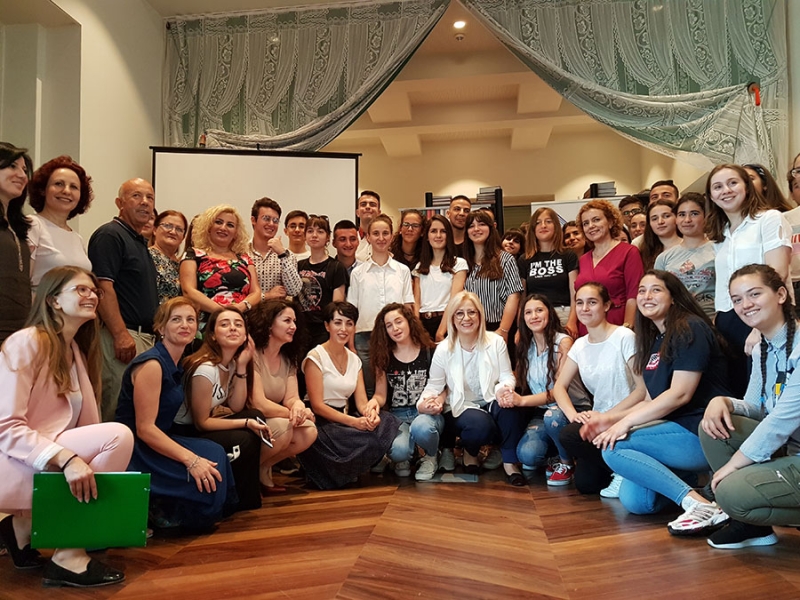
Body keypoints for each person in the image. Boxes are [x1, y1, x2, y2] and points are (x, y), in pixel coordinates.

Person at [0, 266, 133, 587]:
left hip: (37, 458)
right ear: (53, 300)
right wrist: (67, 458)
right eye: (81, 290)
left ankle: (21, 527)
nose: (92, 296)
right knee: (119, 436)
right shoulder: (26, 342)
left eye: (94, 291)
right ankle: (69, 554)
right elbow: (5, 426)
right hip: (13, 457)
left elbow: (84, 428)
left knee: (113, 437)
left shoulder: (74, 350)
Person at [597, 271, 731, 533]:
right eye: (642, 290)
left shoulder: (690, 327)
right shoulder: (656, 339)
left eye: (656, 290)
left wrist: (625, 424)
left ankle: (699, 504)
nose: (647, 296)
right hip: (674, 431)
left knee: (614, 448)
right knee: (638, 502)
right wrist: (607, 419)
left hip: (704, 430)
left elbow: (681, 394)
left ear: (673, 297)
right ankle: (693, 482)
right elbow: (650, 400)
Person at [699, 264, 800, 548]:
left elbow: (779, 422)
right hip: (791, 449)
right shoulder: (761, 348)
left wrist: (731, 468)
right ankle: (753, 528)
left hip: (791, 445)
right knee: (713, 425)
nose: (746, 305)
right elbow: (756, 407)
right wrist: (722, 401)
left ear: (781, 294)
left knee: (730, 492)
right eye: (737, 299)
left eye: (754, 294)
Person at [115, 297, 236, 531]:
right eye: (176, 319)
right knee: (203, 474)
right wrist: (190, 460)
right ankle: (158, 508)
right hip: (137, 447)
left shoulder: (176, 362)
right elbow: (145, 429)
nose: (185, 325)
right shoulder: (152, 364)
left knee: (215, 453)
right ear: (161, 328)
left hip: (159, 438)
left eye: (190, 319)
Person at [418, 292, 525, 482]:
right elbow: (434, 385)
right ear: (452, 318)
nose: (466, 318)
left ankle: (509, 462)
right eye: (459, 313)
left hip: (491, 399)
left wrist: (505, 389)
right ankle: (470, 451)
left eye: (471, 312)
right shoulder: (443, 349)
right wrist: (423, 403)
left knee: (511, 409)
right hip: (462, 405)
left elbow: (506, 375)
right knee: (480, 425)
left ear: (480, 315)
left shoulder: (496, 342)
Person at [706, 163, 791, 397]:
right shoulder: (719, 234)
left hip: (764, 314)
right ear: (711, 196)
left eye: (733, 183)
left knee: (766, 391)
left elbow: (777, 273)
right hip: (728, 318)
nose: (726, 190)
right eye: (718, 187)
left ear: (746, 186)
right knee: (737, 389)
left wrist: (759, 329)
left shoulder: (769, 219)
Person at [175, 307, 271, 511]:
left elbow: (236, 406)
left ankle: (245, 496)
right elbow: (201, 423)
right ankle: (234, 498)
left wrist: (242, 366)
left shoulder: (232, 364)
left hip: (200, 426)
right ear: (212, 335)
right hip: (183, 432)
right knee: (245, 436)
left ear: (246, 335)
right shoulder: (205, 369)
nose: (233, 328)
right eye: (224, 324)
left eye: (238, 324)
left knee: (256, 415)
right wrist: (246, 423)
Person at [555, 282, 645, 495]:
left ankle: (625, 469)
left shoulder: (624, 336)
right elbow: (559, 386)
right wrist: (574, 415)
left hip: (629, 417)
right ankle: (620, 468)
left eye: (592, 302)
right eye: (579, 303)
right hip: (599, 420)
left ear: (606, 305)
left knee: (569, 436)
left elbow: (642, 390)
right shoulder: (579, 345)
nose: (584, 308)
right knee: (586, 485)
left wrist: (608, 417)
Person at [298, 301, 400, 489]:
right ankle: (330, 469)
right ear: (327, 326)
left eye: (349, 323)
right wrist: (354, 422)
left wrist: (370, 414)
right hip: (319, 421)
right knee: (361, 438)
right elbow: (317, 405)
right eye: (337, 323)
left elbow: (361, 403)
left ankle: (346, 468)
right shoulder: (315, 357)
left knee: (386, 421)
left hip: (343, 419)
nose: (343, 329)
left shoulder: (355, 359)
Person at [88, 178, 159, 421]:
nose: (145, 202)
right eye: (136, 196)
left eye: (150, 197)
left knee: (136, 414)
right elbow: (103, 287)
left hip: (141, 338)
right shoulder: (110, 235)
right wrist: (120, 335)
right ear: (120, 203)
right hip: (122, 337)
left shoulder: (138, 241)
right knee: (115, 410)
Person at [510, 294, 582, 486]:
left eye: (539, 310)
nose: (534, 316)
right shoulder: (526, 345)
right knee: (527, 456)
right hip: (543, 411)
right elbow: (517, 377)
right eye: (528, 312)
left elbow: (558, 391)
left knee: (553, 417)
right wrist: (502, 386)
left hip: (570, 409)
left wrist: (522, 401)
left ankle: (567, 464)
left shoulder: (563, 342)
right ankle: (556, 455)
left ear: (549, 313)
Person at [247, 299, 318, 492]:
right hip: (249, 419)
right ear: (269, 324)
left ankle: (262, 469)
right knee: (284, 427)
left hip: (273, 417)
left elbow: (292, 398)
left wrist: (299, 407)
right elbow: (258, 404)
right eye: (287, 321)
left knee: (309, 431)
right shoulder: (252, 355)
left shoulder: (288, 357)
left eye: (294, 321)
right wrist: (293, 414)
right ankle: (243, 473)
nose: (293, 326)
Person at [347, 214, 414, 396]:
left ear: (392, 236)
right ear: (368, 237)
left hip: (396, 336)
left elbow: (408, 307)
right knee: (370, 391)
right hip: (365, 337)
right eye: (376, 233)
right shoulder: (358, 273)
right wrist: (351, 345)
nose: (381, 238)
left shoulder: (402, 271)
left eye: (385, 233)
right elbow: (351, 311)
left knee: (395, 391)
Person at [369, 304, 437, 479]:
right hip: (398, 416)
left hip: (426, 413)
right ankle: (405, 455)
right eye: (389, 325)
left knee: (423, 428)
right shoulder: (383, 356)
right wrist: (373, 402)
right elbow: (380, 395)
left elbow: (441, 387)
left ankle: (430, 456)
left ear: (409, 321)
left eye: (398, 321)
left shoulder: (429, 351)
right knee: (399, 452)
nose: (395, 328)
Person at [181, 204, 262, 328]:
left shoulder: (244, 258)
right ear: (209, 227)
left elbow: (256, 292)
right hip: (208, 324)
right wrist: (222, 312)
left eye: (230, 225)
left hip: (241, 323)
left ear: (236, 233)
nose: (223, 228)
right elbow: (188, 291)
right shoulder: (193, 254)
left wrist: (241, 307)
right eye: (218, 222)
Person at [574, 200, 644, 334]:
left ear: (610, 222)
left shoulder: (628, 252)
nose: (591, 226)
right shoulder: (583, 259)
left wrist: (627, 330)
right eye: (585, 223)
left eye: (596, 220)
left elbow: (634, 295)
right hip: (587, 328)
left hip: (617, 325)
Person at [26, 156, 93, 291]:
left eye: (74, 187)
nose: (66, 191)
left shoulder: (77, 238)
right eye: (58, 184)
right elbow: (22, 282)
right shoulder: (33, 225)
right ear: (43, 190)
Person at [463, 210, 523, 343]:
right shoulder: (464, 262)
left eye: (481, 224)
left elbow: (514, 295)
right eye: (471, 226)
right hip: (471, 328)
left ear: (491, 228)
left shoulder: (505, 259)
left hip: (499, 326)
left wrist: (503, 330)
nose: (476, 229)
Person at [518, 207, 579, 336]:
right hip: (535, 316)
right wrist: (520, 327)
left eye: (548, 221)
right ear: (533, 229)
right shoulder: (525, 259)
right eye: (538, 222)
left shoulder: (568, 255)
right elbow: (522, 298)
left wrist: (572, 321)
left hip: (563, 314)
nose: (543, 226)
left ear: (556, 226)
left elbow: (575, 292)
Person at [655, 193, 716, 317]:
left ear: (706, 216)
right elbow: (658, 293)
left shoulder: (719, 250)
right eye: (682, 214)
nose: (687, 220)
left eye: (694, 214)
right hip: (676, 320)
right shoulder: (664, 258)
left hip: (712, 318)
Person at [413, 215, 467, 341]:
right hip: (423, 324)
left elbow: (454, 300)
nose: (438, 235)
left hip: (448, 322)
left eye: (443, 231)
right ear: (427, 236)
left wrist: (441, 331)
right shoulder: (419, 267)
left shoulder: (458, 264)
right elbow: (416, 302)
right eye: (433, 231)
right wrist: (417, 329)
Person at [297, 215, 348, 347]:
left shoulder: (336, 267)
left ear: (328, 238)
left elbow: (337, 305)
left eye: (320, 231)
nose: (314, 235)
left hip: (323, 330)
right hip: (300, 328)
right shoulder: (299, 265)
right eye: (310, 231)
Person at [0, 142, 33, 345]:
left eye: (24, 169)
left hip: (18, 336)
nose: (22, 175)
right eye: (12, 166)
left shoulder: (17, 227)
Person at [247, 197, 302, 301]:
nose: (271, 224)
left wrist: (282, 254)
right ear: (253, 220)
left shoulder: (287, 255)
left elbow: (294, 290)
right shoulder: (240, 252)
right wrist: (266, 296)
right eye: (266, 218)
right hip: (247, 311)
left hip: (276, 311)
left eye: (276, 221)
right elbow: (236, 292)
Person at [149, 210, 187, 305]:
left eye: (179, 229)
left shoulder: (183, 264)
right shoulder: (146, 256)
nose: (173, 232)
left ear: (183, 237)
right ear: (154, 230)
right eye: (167, 226)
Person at [639, 199, 681, 270]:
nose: (660, 222)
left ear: (677, 218)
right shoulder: (644, 252)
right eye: (654, 219)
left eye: (666, 216)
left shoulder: (689, 246)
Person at [355, 191, 381, 262]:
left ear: (379, 213)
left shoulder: (386, 241)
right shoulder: (350, 241)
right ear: (357, 212)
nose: (368, 207)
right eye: (363, 204)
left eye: (372, 204)